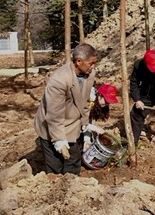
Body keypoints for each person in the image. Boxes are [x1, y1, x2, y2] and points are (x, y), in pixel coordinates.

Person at [34, 43, 99, 175]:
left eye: (94, 63)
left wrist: (85, 123)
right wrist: (59, 140)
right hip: (51, 126)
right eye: (91, 63)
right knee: (55, 166)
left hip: (72, 124)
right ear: (78, 62)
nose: (93, 66)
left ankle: (72, 183)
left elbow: (85, 100)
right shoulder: (59, 80)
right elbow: (54, 114)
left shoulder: (90, 74)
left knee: (74, 160)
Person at [83, 83, 119, 151]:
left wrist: (87, 139)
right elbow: (79, 121)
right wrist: (95, 129)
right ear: (100, 96)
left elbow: (88, 121)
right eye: (106, 101)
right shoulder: (86, 100)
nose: (106, 104)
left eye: (108, 102)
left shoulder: (95, 104)